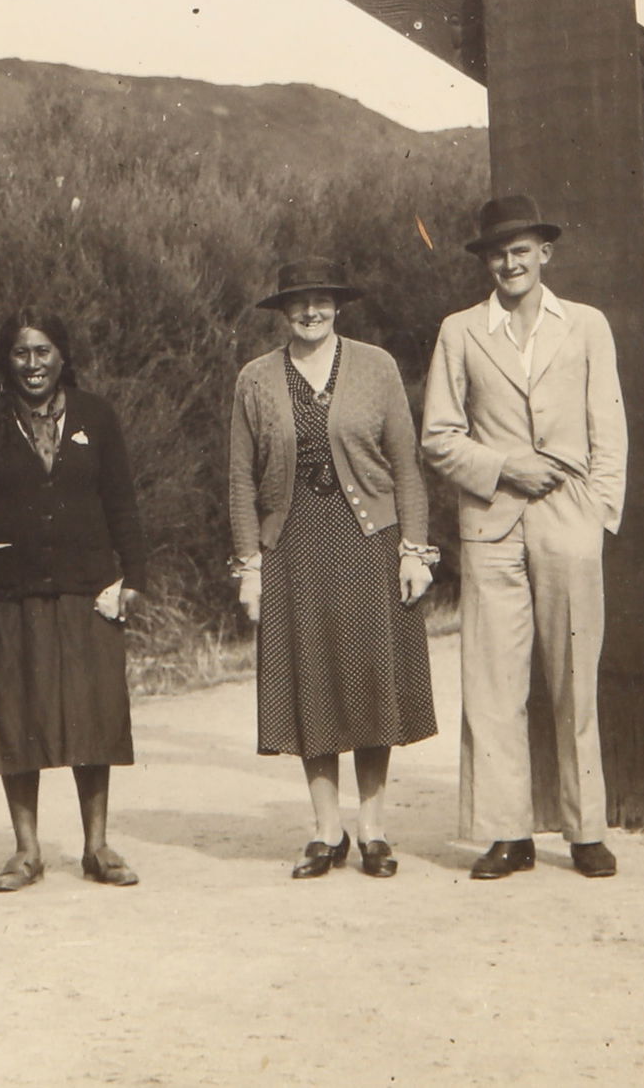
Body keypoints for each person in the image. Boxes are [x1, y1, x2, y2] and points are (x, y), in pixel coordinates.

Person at [420, 194, 627, 881]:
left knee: (575, 681)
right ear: (486, 262)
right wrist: (507, 465)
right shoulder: (461, 331)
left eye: (521, 250)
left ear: (545, 253)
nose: (509, 263)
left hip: (570, 519)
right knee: (492, 682)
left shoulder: (587, 326)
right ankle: (507, 834)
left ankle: (585, 829)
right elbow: (438, 439)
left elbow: (610, 429)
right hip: (492, 524)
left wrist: (598, 512)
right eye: (496, 253)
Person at [228, 258, 437, 880]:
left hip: (370, 541)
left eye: (320, 300)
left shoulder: (376, 366)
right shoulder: (255, 379)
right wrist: (249, 565)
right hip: (292, 546)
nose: (309, 312)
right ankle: (326, 830)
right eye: (297, 303)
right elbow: (240, 478)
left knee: (371, 680)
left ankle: (372, 829)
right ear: (282, 312)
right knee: (311, 680)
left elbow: (406, 466)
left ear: (337, 305)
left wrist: (415, 551)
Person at [0, 308, 148, 892]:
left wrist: (133, 575)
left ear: (62, 356)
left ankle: (97, 847)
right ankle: (26, 851)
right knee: (17, 715)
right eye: (20, 353)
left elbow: (123, 504)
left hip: (87, 591)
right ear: (5, 359)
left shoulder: (97, 416)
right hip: (10, 595)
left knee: (94, 715)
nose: (32, 365)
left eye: (42, 352)